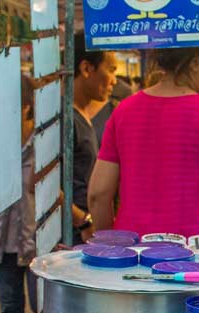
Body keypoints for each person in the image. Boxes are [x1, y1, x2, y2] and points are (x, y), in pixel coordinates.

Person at [88, 30, 199, 252]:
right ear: (195, 63)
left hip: (135, 253)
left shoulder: (124, 110)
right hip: (198, 257)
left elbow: (98, 195)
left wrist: (113, 247)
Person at [0, 75, 37, 313]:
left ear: (27, 107)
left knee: (40, 308)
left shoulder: (42, 144)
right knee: (9, 307)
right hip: (2, 241)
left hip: (36, 243)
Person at [71, 34, 117, 245]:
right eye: (111, 69)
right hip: (74, 235)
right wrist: (83, 221)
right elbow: (44, 183)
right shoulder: (66, 119)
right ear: (86, 69)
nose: (114, 80)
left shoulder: (83, 115)